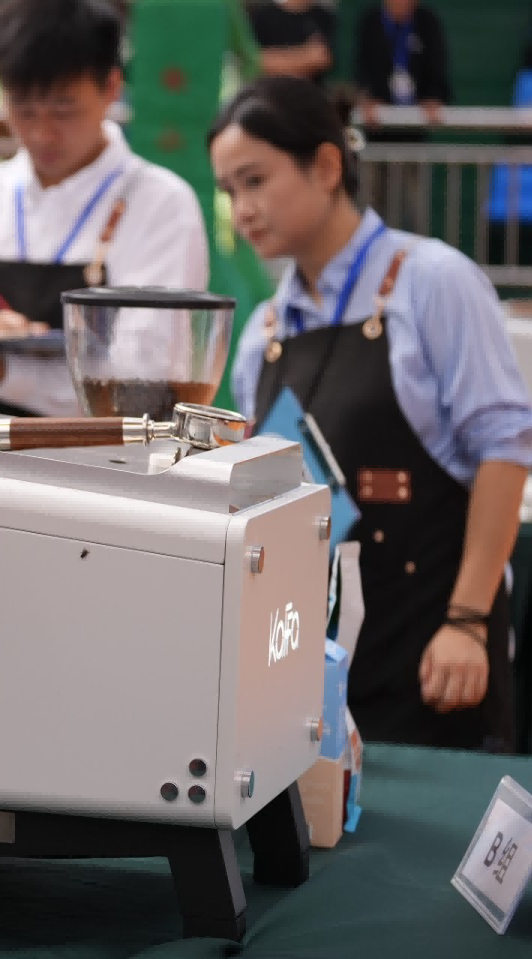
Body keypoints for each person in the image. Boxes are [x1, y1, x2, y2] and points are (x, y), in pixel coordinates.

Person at [211, 76, 532, 752]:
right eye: (229, 191)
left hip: (435, 653)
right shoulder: (262, 333)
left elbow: (506, 450)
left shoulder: (434, 281)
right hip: (309, 678)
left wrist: (467, 621)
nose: (242, 210)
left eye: (255, 181)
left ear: (327, 166)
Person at [0, 0, 208, 424]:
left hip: (104, 463)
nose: (41, 133)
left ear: (111, 87)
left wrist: (2, 370)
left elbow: (143, 380)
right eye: (23, 109)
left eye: (64, 109)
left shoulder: (160, 205)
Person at [355, 0, 452, 125]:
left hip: (418, 117)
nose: (402, 3)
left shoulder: (428, 22)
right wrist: (368, 97)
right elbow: (362, 66)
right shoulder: (370, 22)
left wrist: (433, 97)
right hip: (378, 117)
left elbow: (437, 64)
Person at [246, 0, 336, 85]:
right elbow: (261, 63)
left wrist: (282, 59)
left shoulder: (325, 17)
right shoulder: (262, 17)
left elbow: (324, 60)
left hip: (313, 92)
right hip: (272, 92)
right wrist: (307, 57)